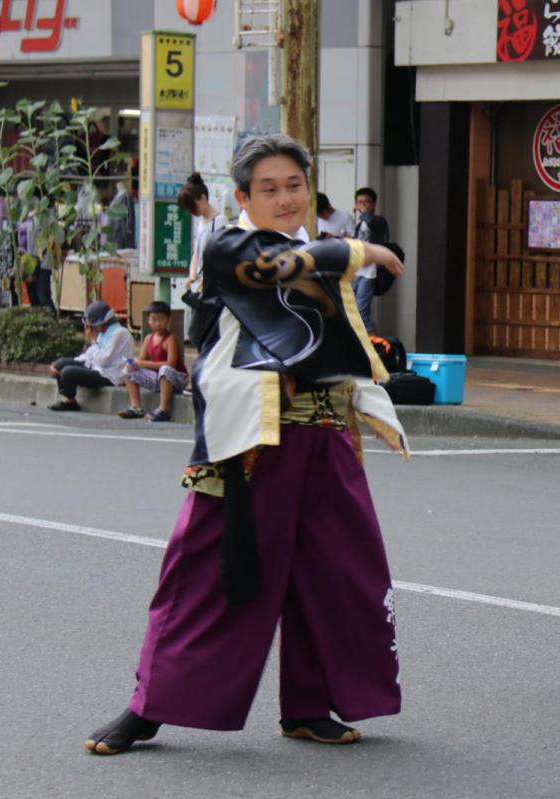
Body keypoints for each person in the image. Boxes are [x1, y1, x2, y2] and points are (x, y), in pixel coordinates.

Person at [84, 133, 409, 755]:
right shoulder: (231, 247)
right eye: (269, 189)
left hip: (324, 436)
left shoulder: (315, 254)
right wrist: (360, 248)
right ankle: (149, 706)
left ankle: (309, 705)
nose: (286, 199)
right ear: (242, 197)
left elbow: (333, 343)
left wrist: (361, 408)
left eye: (295, 186)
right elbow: (275, 268)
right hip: (252, 443)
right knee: (208, 571)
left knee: (337, 572)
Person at [47, 301, 135, 411]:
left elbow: (103, 361)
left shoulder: (119, 334)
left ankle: (70, 401)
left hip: (109, 375)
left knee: (67, 372)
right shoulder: (103, 332)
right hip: (96, 367)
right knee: (60, 364)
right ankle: (68, 398)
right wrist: (58, 364)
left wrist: (93, 341)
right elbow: (88, 356)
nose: (91, 328)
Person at [118, 301, 189, 422]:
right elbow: (141, 360)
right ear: (149, 320)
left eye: (161, 319)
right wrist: (133, 365)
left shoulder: (170, 339)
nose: (157, 323)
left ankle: (163, 409)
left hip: (176, 379)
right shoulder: (148, 339)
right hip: (158, 378)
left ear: (168, 320)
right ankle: (136, 407)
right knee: (127, 370)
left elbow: (171, 364)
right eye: (154, 319)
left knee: (165, 369)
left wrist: (142, 364)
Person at [178, 172, 229, 293]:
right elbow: (196, 253)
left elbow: (222, 256)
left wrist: (207, 279)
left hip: (213, 286)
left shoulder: (219, 221)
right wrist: (192, 276)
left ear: (203, 198)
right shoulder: (201, 223)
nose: (191, 211)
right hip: (201, 284)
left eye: (192, 206)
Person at [353, 186, 390, 333]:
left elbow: (377, 236)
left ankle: (375, 344)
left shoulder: (379, 221)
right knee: (352, 312)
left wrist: (364, 213)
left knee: (362, 313)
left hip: (369, 272)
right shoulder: (359, 225)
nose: (362, 205)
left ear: (374, 204)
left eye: (366, 202)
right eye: (359, 202)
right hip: (356, 271)